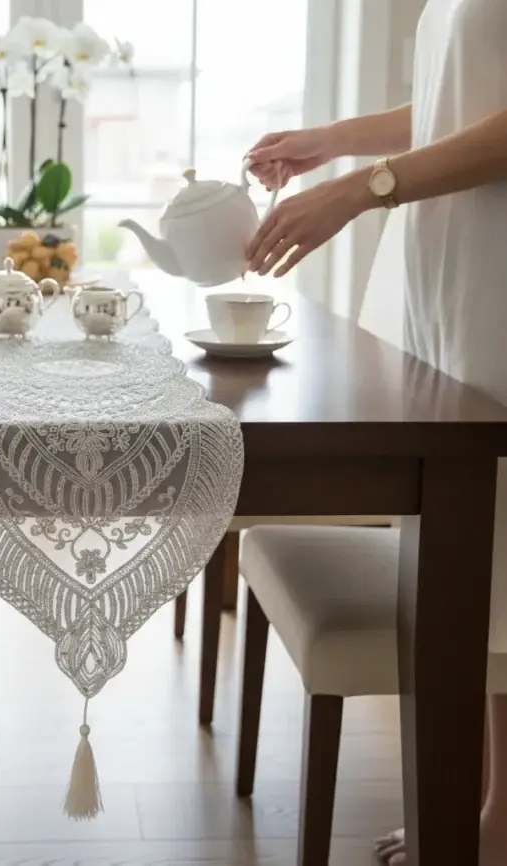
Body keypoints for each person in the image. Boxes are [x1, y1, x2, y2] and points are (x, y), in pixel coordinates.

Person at [243, 2, 507, 864]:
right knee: (487, 543)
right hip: (456, 260)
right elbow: (460, 98)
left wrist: (363, 188)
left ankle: (497, 817)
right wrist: (332, 143)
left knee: (499, 535)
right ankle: (475, 797)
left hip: (496, 266)